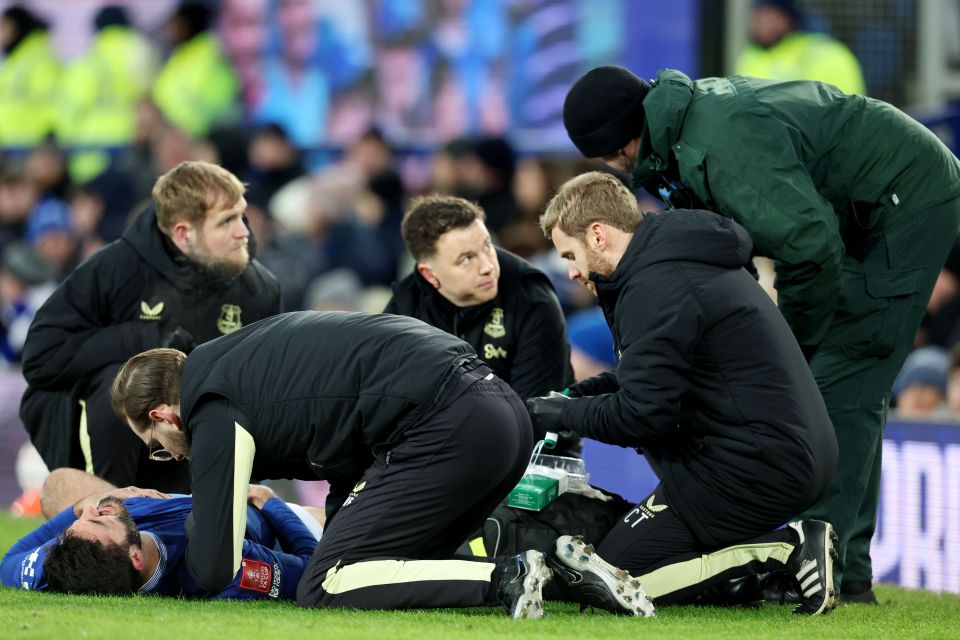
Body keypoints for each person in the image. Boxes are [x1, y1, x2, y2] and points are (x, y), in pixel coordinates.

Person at [561, 64, 960, 604]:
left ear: (623, 142)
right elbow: (728, 253)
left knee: (841, 381)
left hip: (904, 201)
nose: (616, 168)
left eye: (609, 157)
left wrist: (788, 343)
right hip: (859, 208)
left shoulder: (716, 143)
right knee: (837, 383)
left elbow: (811, 246)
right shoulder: (678, 138)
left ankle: (828, 569)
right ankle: (844, 564)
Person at [109, 311, 652, 617]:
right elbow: (350, 436)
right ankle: (560, 571)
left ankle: (510, 573)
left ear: (164, 414)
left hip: (446, 422)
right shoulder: (243, 358)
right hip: (497, 414)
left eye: (158, 443)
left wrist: (185, 516)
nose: (169, 454)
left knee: (324, 585)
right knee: (389, 575)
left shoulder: (210, 403)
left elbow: (213, 565)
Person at [527, 172, 838, 615]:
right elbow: (645, 378)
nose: (572, 272)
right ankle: (749, 577)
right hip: (771, 454)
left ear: (597, 234)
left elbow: (642, 413)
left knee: (607, 580)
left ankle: (786, 551)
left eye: (570, 255)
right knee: (617, 565)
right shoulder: (671, 264)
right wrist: (568, 399)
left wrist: (560, 415)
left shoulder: (656, 285)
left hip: (752, 467)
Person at [19, 160, 282, 493]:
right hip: (106, 440)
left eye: (241, 214)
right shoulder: (115, 269)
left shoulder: (260, 290)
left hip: (197, 436)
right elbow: (41, 358)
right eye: (226, 221)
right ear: (183, 234)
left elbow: (265, 397)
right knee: (119, 380)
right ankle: (105, 517)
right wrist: (143, 338)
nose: (244, 230)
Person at [1, 469, 321, 599]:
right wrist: (272, 503)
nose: (91, 513)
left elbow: (8, 564)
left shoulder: (70, 565)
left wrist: (81, 507)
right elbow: (311, 572)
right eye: (98, 521)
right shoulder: (215, 562)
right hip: (265, 516)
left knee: (58, 483)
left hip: (175, 505)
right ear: (136, 556)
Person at [385, 195, 572, 401]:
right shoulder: (404, 308)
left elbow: (535, 412)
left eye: (487, 246)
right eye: (466, 259)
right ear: (429, 275)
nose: (488, 267)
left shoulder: (532, 298)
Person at [56, 5, 157, 183]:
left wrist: (67, 140)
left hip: (90, 153)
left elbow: (68, 108)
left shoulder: (89, 60)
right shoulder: (143, 53)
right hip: (133, 147)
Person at [735, 0, 865, 95]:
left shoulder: (827, 54)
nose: (755, 23)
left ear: (785, 19)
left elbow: (848, 112)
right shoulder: (751, 54)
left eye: (763, 15)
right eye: (754, 15)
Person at [152, 1, 240, 138]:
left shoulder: (211, 55)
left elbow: (210, 109)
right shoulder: (183, 53)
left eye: (177, 23)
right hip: (175, 137)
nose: (172, 30)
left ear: (188, 25)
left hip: (198, 140)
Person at [0, 6, 60, 146]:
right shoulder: (15, 60)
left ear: (17, 27)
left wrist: (47, 139)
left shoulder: (39, 61)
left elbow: (54, 104)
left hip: (33, 149)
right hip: (11, 144)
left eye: (4, 26)